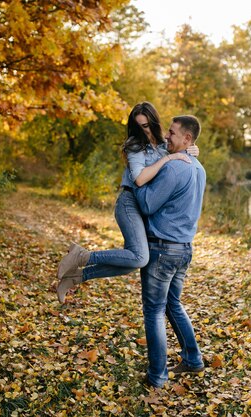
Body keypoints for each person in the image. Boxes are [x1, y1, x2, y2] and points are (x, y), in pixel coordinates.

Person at [56, 102, 198, 303]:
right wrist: (168, 159)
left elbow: (184, 148)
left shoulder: (164, 144)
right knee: (140, 257)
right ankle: (82, 256)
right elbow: (139, 179)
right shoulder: (134, 146)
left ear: (154, 123)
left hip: (147, 205)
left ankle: (75, 277)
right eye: (140, 126)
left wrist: (192, 150)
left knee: (133, 262)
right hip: (130, 202)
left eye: (147, 125)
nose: (145, 131)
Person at [133, 115, 207, 388]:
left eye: (173, 133)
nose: (167, 136)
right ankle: (193, 359)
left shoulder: (176, 169)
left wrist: (134, 184)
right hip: (184, 250)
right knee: (173, 305)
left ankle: (157, 376)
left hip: (163, 250)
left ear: (187, 139)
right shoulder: (199, 167)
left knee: (154, 310)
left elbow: (147, 204)